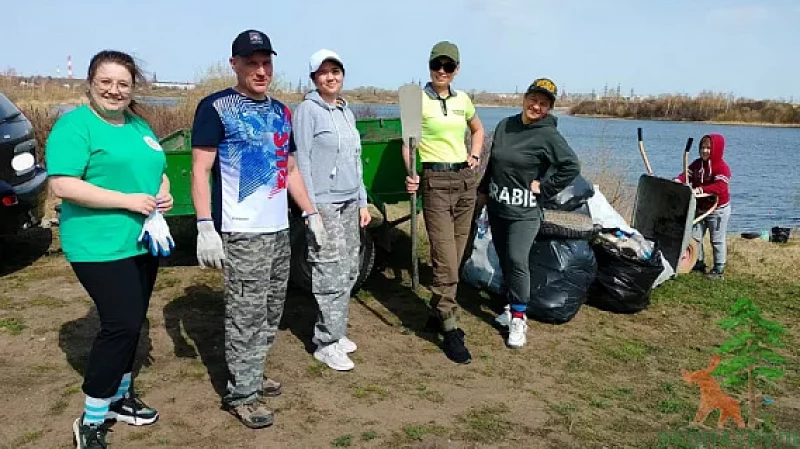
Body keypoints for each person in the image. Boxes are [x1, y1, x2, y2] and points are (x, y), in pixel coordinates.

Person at [190, 30, 323, 429]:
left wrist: (311, 213)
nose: (261, 70)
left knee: (270, 310)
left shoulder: (282, 112)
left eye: (266, 63)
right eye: (252, 63)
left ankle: (253, 371)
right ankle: (241, 394)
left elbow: (292, 169)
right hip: (240, 230)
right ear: (235, 64)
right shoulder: (216, 108)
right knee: (244, 313)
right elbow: (200, 169)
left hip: (278, 228)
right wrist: (204, 226)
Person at [46, 50, 173, 449]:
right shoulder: (75, 126)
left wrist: (163, 193)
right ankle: (92, 418)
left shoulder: (138, 125)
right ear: (90, 83)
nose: (114, 91)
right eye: (106, 82)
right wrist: (128, 201)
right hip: (97, 244)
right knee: (119, 324)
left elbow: (158, 168)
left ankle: (120, 398)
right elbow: (63, 185)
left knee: (133, 321)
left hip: (140, 241)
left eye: (122, 84)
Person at [477, 78, 580, 349]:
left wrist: (545, 187)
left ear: (549, 108)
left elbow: (571, 166)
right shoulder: (505, 126)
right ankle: (511, 307)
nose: (536, 106)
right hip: (498, 207)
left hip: (526, 211)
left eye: (543, 104)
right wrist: (483, 193)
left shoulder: (548, 135)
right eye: (533, 100)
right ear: (524, 98)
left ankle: (520, 319)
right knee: (505, 260)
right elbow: (494, 164)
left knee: (517, 258)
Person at [405, 41, 485, 364]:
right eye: (437, 64)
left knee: (459, 254)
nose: (441, 71)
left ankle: (436, 312)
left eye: (448, 66)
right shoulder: (414, 99)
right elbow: (409, 145)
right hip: (435, 182)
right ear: (429, 66)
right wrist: (411, 173)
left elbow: (477, 130)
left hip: (465, 182)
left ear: (456, 70)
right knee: (445, 259)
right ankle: (450, 325)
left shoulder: (463, 99)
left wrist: (475, 154)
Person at [292, 49, 371, 372]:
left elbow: (355, 160)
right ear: (314, 78)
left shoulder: (345, 111)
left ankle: (337, 333)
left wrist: (363, 201)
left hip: (351, 200)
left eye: (336, 71)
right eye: (324, 72)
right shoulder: (307, 111)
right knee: (329, 269)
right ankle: (326, 341)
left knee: (351, 266)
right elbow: (303, 162)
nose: (331, 77)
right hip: (324, 202)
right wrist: (310, 209)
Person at [674, 134, 731, 279]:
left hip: (717, 209)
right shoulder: (697, 164)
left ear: (716, 149)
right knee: (695, 236)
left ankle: (719, 269)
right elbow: (686, 175)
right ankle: (698, 262)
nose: (705, 151)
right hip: (700, 208)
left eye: (708, 148)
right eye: (702, 148)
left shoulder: (722, 168)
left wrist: (700, 190)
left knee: (716, 240)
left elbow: (720, 186)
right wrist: (677, 181)